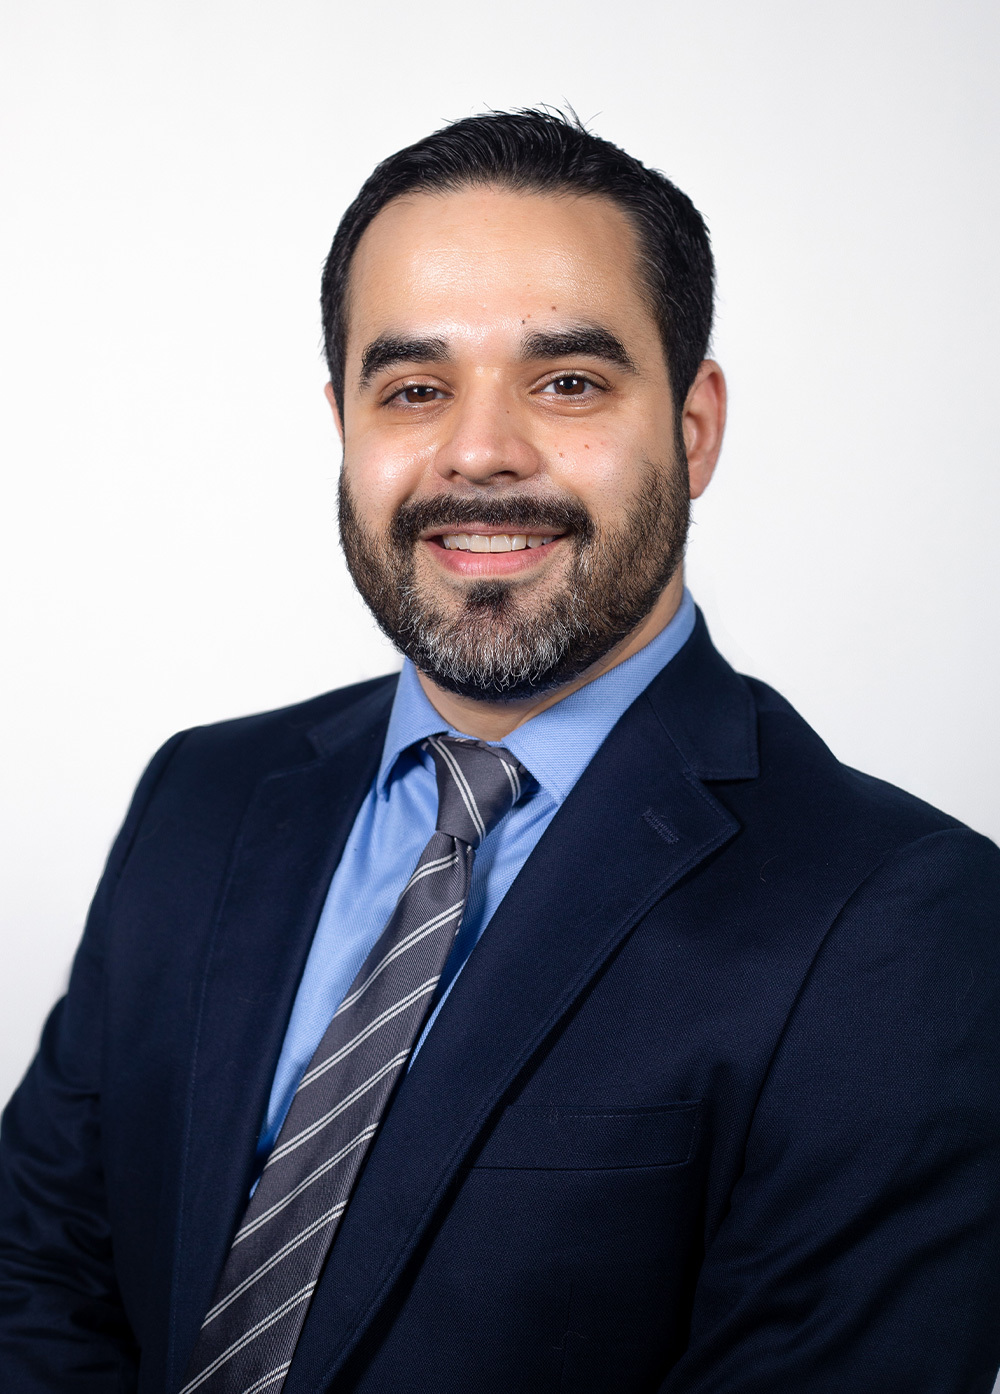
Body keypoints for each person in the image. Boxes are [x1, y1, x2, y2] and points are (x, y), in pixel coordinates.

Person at [1, 108, 998, 1394]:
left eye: (566, 381)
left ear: (693, 428)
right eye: (414, 389)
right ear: (345, 425)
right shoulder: (204, 794)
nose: (479, 451)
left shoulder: (905, 921)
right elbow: (40, 1268)